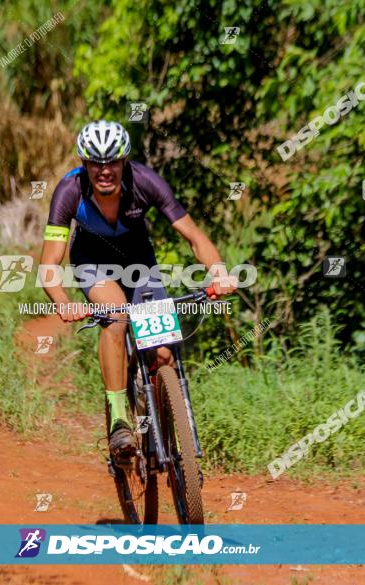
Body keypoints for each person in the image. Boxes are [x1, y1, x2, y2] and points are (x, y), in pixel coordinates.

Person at [39, 120, 236, 459]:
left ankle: (172, 441)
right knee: (115, 317)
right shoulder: (69, 190)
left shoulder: (145, 182)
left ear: (125, 160)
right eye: (96, 163)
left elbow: (194, 237)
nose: (105, 170)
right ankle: (119, 421)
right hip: (92, 262)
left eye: (112, 161)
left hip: (138, 262)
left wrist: (219, 273)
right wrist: (63, 301)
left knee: (162, 355)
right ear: (84, 163)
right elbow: (49, 266)